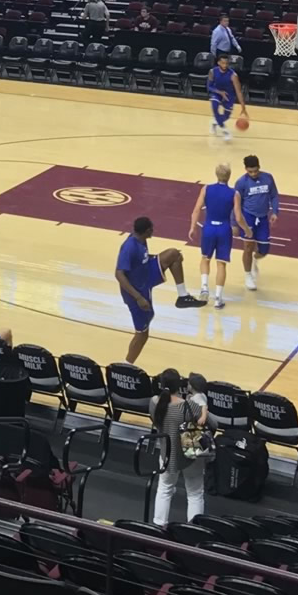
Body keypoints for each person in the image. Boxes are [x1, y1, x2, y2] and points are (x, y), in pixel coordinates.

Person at [115, 216, 188, 363]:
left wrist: (162, 260)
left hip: (146, 273)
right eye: (152, 229)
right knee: (142, 334)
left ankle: (183, 296)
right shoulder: (129, 247)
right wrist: (138, 298)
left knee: (174, 254)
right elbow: (119, 274)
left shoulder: (141, 239)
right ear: (147, 231)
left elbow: (142, 258)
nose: (153, 231)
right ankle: (127, 365)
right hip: (136, 290)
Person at [150, 370, 208, 525]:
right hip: (190, 455)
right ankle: (194, 529)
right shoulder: (190, 406)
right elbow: (212, 424)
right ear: (180, 385)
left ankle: (158, 525)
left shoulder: (154, 403)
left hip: (167, 454)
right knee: (195, 494)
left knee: (164, 489)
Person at [190, 162, 236, 307]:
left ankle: (204, 288)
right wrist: (246, 230)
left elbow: (196, 210)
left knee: (205, 258)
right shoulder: (234, 193)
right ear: (229, 176)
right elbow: (239, 217)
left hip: (209, 228)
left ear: (216, 174)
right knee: (221, 263)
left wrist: (192, 227)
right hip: (224, 230)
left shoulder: (206, 189)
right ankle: (218, 298)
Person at [232, 154, 279, 293]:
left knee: (264, 249)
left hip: (263, 217)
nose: (253, 174)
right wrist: (234, 223)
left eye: (255, 171)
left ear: (259, 167)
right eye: (250, 171)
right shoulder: (241, 182)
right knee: (247, 246)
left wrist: (275, 211)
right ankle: (248, 276)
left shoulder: (268, 178)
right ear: (245, 169)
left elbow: (274, 195)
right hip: (248, 217)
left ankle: (255, 260)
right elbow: (235, 204)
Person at [206, 53, 245, 140]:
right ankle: (225, 130)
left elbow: (238, 91)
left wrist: (243, 106)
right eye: (223, 63)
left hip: (229, 95)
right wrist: (219, 92)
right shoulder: (212, 72)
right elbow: (209, 86)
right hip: (217, 92)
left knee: (226, 116)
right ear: (218, 63)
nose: (225, 65)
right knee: (215, 107)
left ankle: (215, 122)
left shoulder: (233, 75)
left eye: (227, 63)